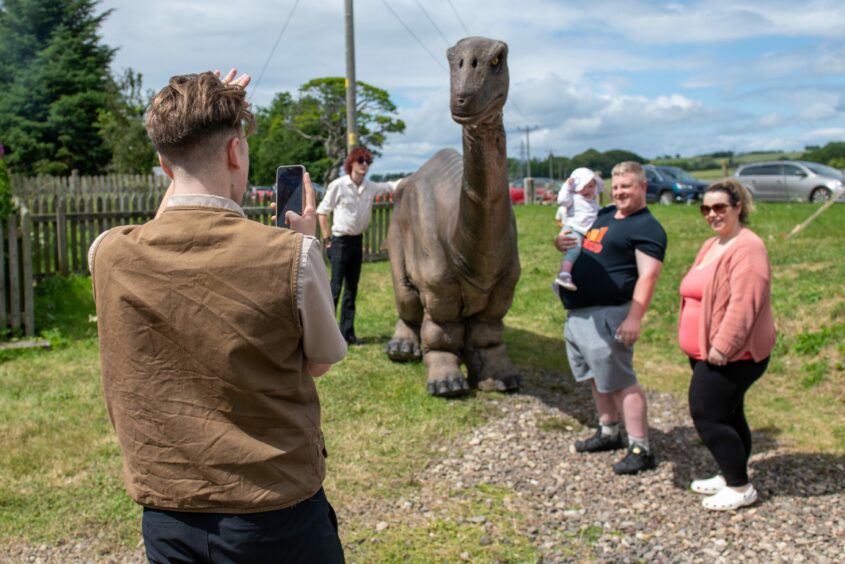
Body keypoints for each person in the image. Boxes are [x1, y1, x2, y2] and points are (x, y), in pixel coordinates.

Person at [88, 69, 348, 563]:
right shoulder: (291, 254)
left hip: (167, 512)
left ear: (164, 166)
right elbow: (320, 362)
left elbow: (175, 212)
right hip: (276, 513)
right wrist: (308, 239)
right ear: (235, 152)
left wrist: (191, 128)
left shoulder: (108, 255)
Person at [554, 161, 667, 475]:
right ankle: (608, 431)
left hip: (609, 314)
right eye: (616, 187)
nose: (620, 193)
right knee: (595, 377)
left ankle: (640, 447)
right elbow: (574, 237)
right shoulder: (602, 215)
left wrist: (634, 318)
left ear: (643, 187)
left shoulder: (646, 227)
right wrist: (559, 243)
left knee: (621, 381)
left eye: (627, 187)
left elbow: (649, 276)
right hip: (579, 314)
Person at [679, 179, 775, 511]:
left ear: (738, 207)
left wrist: (722, 347)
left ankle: (739, 487)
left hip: (732, 354)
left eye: (720, 207)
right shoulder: (713, 244)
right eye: (706, 208)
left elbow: (745, 304)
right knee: (730, 413)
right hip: (708, 351)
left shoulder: (747, 247)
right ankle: (729, 472)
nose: (712, 214)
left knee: (706, 413)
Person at [317, 147, 399, 345]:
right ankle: (325, 335)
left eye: (367, 162)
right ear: (351, 163)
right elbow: (322, 211)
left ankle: (347, 333)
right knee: (335, 288)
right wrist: (327, 238)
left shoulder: (369, 187)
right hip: (339, 241)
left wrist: (414, 179)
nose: (364, 165)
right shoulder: (338, 185)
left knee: (352, 289)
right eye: (361, 160)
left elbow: (390, 186)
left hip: (357, 241)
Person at [553, 167, 601, 291]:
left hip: (586, 232)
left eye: (591, 186)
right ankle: (564, 274)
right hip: (573, 229)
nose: (587, 190)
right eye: (583, 187)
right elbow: (562, 200)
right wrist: (567, 186)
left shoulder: (593, 202)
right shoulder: (573, 199)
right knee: (574, 249)